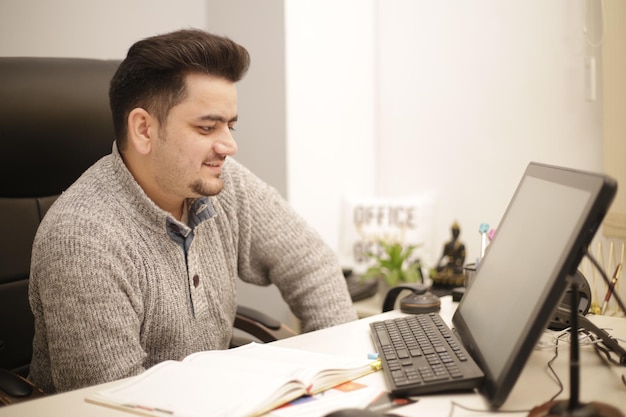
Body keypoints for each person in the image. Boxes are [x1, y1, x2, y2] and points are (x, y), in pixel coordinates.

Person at [28, 29, 358, 393]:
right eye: (207, 127)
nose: (229, 146)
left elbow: (311, 264)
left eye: (229, 125)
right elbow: (115, 401)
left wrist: (340, 377)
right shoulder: (82, 239)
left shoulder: (223, 183)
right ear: (143, 130)